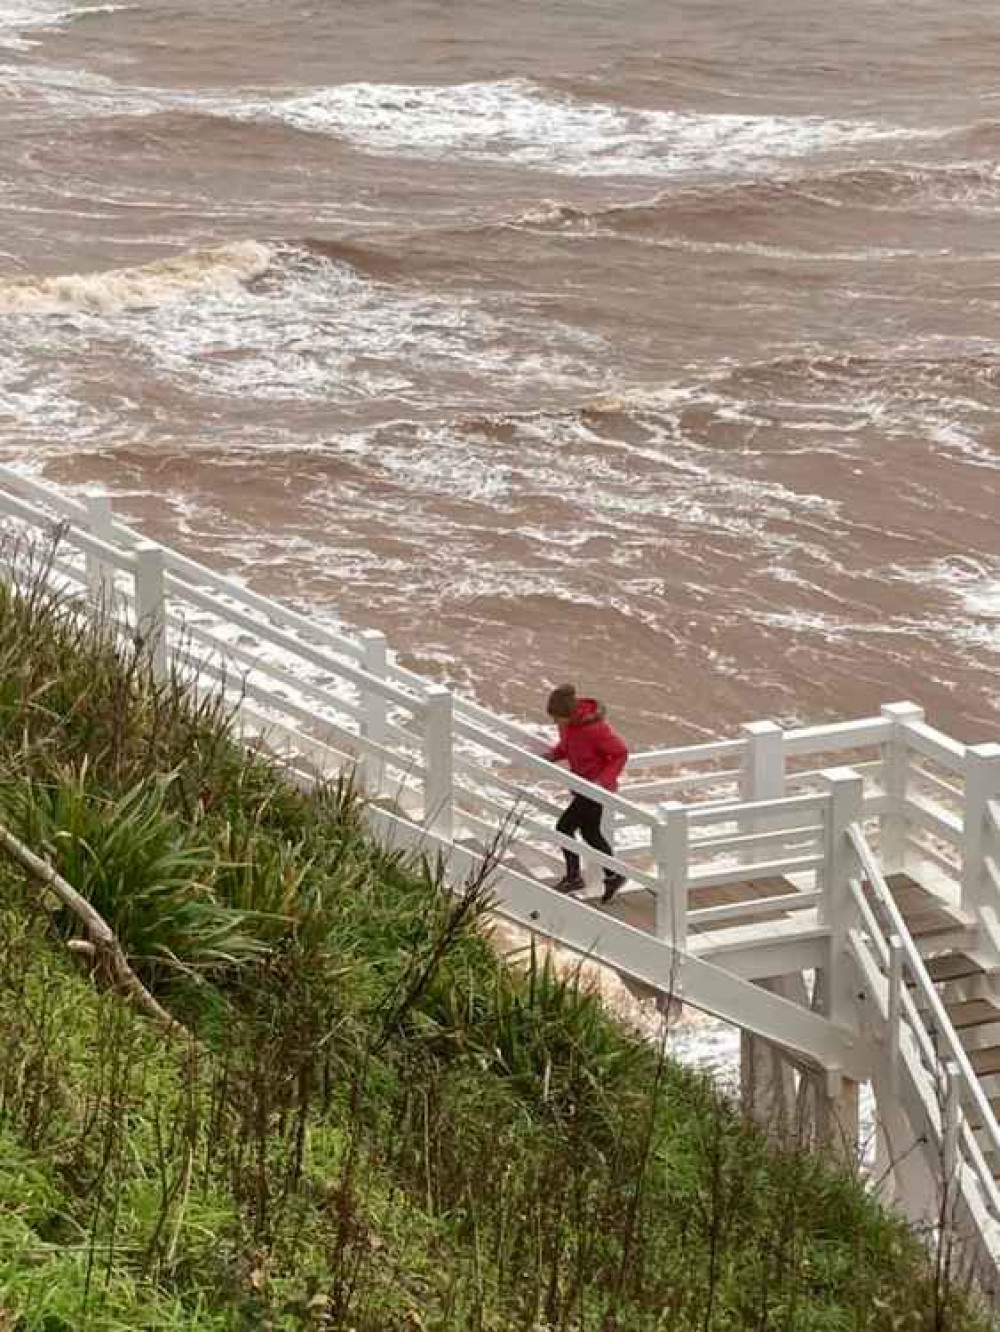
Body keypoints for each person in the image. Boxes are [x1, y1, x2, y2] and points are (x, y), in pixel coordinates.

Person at [543, 683, 629, 903]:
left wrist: (603, 781)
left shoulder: (595, 728)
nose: (554, 722)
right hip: (581, 786)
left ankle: (574, 878)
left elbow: (620, 753)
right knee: (591, 833)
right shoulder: (567, 725)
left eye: (557, 718)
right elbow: (568, 745)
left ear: (569, 713)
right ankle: (614, 876)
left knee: (563, 828)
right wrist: (554, 755)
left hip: (593, 788)